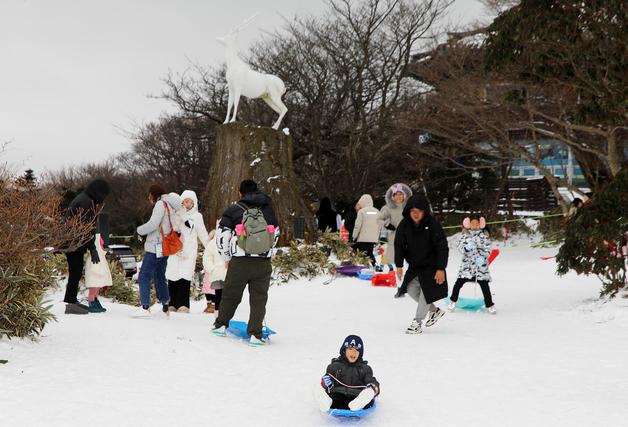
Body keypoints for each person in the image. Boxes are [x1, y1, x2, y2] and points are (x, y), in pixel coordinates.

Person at [211, 180, 279, 346]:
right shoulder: (268, 210)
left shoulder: (234, 210)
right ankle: (255, 334)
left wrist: (227, 258)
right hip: (263, 262)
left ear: (240, 193)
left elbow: (222, 238)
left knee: (231, 294)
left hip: (240, 261)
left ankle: (221, 325)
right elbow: (275, 236)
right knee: (259, 299)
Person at [394, 193, 449, 334]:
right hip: (414, 266)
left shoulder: (432, 224)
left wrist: (440, 268)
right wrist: (399, 265)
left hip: (432, 266)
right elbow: (398, 245)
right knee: (411, 290)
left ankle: (417, 322)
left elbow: (442, 246)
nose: (415, 214)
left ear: (424, 211)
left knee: (426, 292)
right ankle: (434, 311)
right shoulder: (404, 224)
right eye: (412, 211)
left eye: (418, 210)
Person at [62, 177, 110, 315]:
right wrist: (93, 248)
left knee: (75, 272)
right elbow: (86, 228)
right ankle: (70, 303)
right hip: (73, 243)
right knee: (75, 272)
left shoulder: (85, 199)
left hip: (72, 242)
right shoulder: (86, 202)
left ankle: (71, 300)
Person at [135, 184, 181, 317]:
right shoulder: (171, 204)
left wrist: (139, 230)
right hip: (164, 246)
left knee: (144, 275)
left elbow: (153, 224)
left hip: (155, 245)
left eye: (149, 195)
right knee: (159, 275)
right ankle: (165, 305)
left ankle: (145, 307)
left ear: (154, 194)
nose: (149, 198)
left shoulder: (160, 204)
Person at [165, 190, 209, 313]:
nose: (187, 204)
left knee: (184, 277)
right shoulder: (176, 214)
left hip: (188, 252)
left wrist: (210, 248)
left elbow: (202, 234)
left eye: (190, 201)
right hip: (175, 250)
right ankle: (172, 303)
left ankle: (183, 305)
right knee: (172, 276)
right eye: (185, 201)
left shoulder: (197, 217)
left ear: (194, 203)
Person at [315, 335, 380, 412]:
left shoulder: (365, 369)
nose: (353, 352)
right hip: (336, 400)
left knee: (370, 390)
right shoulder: (334, 366)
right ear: (344, 350)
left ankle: (363, 399)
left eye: (357, 350)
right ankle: (325, 402)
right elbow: (328, 379)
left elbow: (371, 380)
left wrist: (373, 388)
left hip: (356, 398)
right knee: (317, 386)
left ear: (360, 353)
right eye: (350, 349)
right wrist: (325, 383)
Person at [448, 215, 496, 314]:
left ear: (480, 224)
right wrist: (466, 248)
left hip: (480, 269)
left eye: (476, 223)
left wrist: (482, 258)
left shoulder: (484, 236)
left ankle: (489, 305)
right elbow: (460, 247)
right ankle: (452, 301)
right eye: (472, 223)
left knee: (485, 286)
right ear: (468, 224)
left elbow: (488, 250)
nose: (474, 225)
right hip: (467, 268)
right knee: (458, 284)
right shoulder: (465, 236)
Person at [378, 183, 412, 270]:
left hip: (408, 238)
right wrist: (387, 225)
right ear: (393, 196)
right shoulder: (388, 208)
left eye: (400, 194)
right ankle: (393, 277)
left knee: (411, 260)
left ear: (404, 196)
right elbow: (379, 219)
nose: (398, 196)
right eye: (396, 194)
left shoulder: (409, 208)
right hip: (394, 239)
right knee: (395, 261)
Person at [84, 232, 111, 313]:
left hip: (100, 262)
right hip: (95, 262)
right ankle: (91, 302)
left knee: (98, 286)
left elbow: (102, 248)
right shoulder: (94, 237)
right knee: (93, 286)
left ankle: (95, 301)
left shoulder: (100, 237)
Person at [202, 229, 227, 314]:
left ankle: (224, 314)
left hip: (228, 274)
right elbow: (207, 258)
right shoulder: (212, 243)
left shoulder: (232, 240)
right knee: (218, 293)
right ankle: (217, 315)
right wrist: (212, 269)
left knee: (226, 296)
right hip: (216, 274)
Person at [352, 194, 380, 266]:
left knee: (362, 253)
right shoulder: (377, 211)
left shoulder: (361, 212)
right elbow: (379, 225)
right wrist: (377, 236)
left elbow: (357, 226)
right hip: (373, 238)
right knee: (369, 252)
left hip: (363, 238)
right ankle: (374, 266)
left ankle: (364, 266)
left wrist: (354, 236)